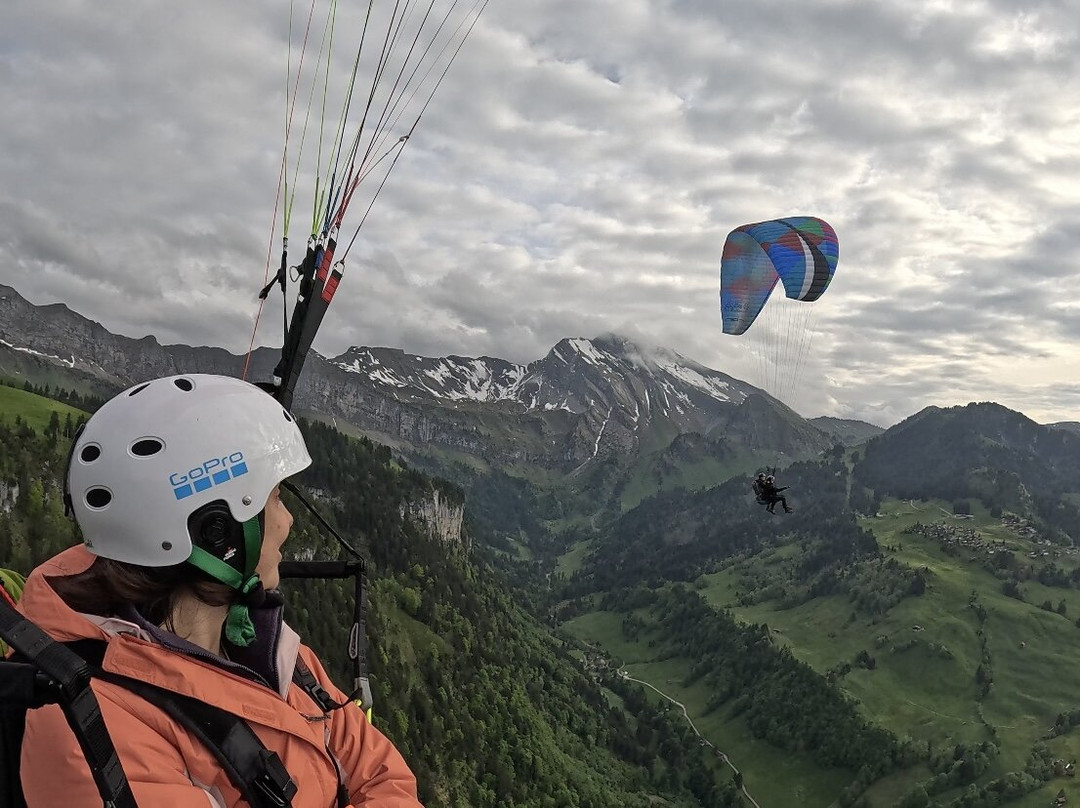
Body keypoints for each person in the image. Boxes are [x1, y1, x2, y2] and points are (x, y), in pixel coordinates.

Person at [18, 373, 423, 808]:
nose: (289, 522)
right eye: (276, 500)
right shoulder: (90, 728)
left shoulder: (269, 650)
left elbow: (384, 773)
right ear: (218, 534)